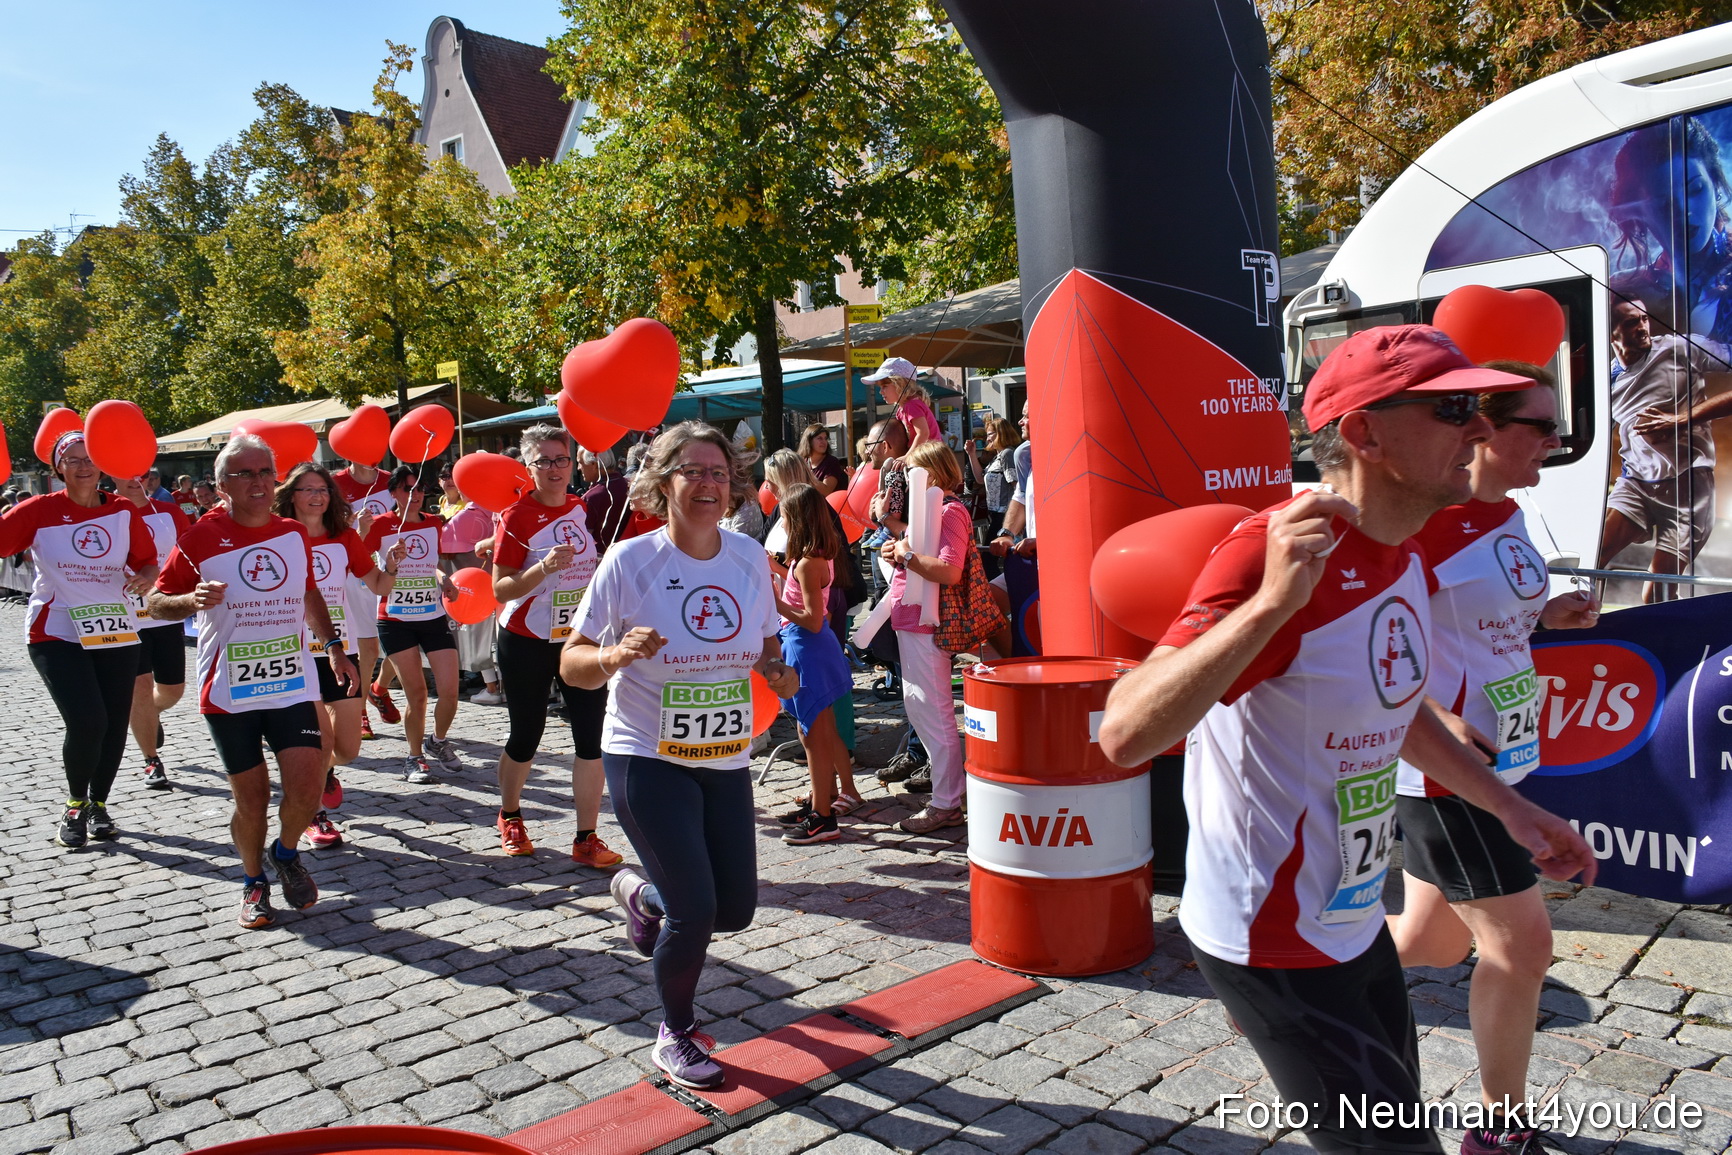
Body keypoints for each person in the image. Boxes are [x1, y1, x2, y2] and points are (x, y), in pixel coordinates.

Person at [1097, 325, 1597, 1155]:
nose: (1479, 428)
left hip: (1352, 910)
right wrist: (1267, 608)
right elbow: (1122, 732)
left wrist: (1513, 810)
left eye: (1478, 408)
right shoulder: (1281, 551)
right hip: (1271, 934)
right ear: (1364, 432)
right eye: (1453, 410)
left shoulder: (1399, 552)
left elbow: (1393, 709)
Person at [1385, 362, 1601, 1154]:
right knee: (1523, 944)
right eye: (1541, 425)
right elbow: (1378, 636)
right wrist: (1432, 711)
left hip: (1503, 760)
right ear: (1479, 427)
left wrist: (1549, 613)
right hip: (1447, 775)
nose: (1557, 440)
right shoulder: (1421, 522)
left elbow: (1482, 617)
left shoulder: (1508, 512)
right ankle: (1499, 1131)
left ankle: (1305, 977)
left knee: (1431, 943)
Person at [560, 421, 797, 1091]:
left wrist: (779, 673)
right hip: (645, 755)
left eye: (718, 472)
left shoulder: (749, 556)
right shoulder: (630, 561)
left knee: (735, 907)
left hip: (723, 754)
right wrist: (614, 654)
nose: (708, 483)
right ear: (663, 482)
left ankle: (643, 897)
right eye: (692, 471)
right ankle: (675, 1030)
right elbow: (572, 663)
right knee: (696, 909)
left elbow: (766, 646)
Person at [147, 435, 355, 928]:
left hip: (290, 681)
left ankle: (284, 854)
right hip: (229, 689)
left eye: (266, 471)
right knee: (252, 797)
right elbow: (157, 601)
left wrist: (334, 648)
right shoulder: (200, 537)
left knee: (306, 789)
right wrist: (190, 601)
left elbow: (308, 592)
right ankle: (252, 882)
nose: (259, 482)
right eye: (245, 474)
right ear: (221, 486)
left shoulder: (291, 533)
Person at [0, 433, 157, 847]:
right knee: (88, 721)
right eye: (72, 459)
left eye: (90, 458)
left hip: (115, 630)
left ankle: (99, 806)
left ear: (102, 464)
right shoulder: (37, 510)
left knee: (113, 724)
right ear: (58, 467)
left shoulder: (123, 509)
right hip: (56, 631)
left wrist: (149, 575)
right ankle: (75, 803)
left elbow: (146, 559)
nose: (83, 466)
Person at [490, 424, 624, 868]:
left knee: (592, 737)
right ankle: (510, 815)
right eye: (543, 461)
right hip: (526, 639)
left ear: (572, 463)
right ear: (528, 468)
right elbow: (501, 588)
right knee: (526, 733)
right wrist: (541, 569)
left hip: (578, 639)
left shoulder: (583, 508)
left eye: (560, 459)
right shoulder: (516, 516)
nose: (554, 468)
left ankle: (587, 836)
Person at [274, 462, 403, 847]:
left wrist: (391, 565)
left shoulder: (344, 537)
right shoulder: (277, 537)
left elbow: (378, 584)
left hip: (339, 651)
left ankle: (324, 771)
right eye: (308, 489)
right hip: (293, 652)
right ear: (290, 496)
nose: (317, 496)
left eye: (323, 490)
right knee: (319, 741)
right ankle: (316, 815)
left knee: (347, 748)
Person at [1598, 295, 1732, 599]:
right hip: (1636, 484)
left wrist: (1679, 419)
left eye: (1644, 319)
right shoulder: (1605, 380)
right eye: (1632, 322)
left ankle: (1690, 643)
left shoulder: (1680, 348)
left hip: (1689, 486)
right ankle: (1584, 633)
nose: (1643, 327)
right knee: (1594, 559)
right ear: (1611, 332)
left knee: (1655, 595)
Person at [881, 440, 973, 834]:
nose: (903, 478)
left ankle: (947, 803)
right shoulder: (932, 511)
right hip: (915, 620)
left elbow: (950, 571)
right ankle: (951, 794)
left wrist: (905, 555)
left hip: (928, 624)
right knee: (922, 709)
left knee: (933, 713)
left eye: (911, 471)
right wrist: (898, 551)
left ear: (931, 473)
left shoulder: (950, 511)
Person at [770, 484, 858, 843]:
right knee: (816, 733)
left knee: (813, 736)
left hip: (810, 648)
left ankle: (823, 816)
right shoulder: (809, 557)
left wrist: (775, 603)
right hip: (806, 647)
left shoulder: (808, 562)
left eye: (785, 516)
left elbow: (813, 618)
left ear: (798, 519)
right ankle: (822, 803)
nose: (781, 522)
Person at [363, 468, 461, 783]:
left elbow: (432, 564)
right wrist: (365, 536)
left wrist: (444, 579)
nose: (415, 494)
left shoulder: (434, 523)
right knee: (417, 694)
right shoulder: (381, 526)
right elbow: (358, 561)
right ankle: (414, 757)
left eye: (419, 488)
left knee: (449, 690)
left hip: (431, 615)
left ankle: (438, 740)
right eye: (407, 489)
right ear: (393, 493)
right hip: (395, 619)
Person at [112, 472, 191, 790]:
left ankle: (149, 713)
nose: (134, 479)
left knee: (172, 691)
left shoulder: (169, 513)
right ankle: (151, 759)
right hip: (123, 617)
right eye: (125, 473)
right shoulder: (105, 513)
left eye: (141, 474)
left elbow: (191, 555)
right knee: (139, 690)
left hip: (163, 613)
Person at [333, 456, 396, 736]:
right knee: (368, 648)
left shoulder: (390, 479)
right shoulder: (335, 484)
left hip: (392, 566)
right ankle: (359, 711)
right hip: (353, 571)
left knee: (404, 643)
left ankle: (378, 689)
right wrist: (360, 532)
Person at [439, 489, 504, 706]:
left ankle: (492, 688)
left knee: (478, 635)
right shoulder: (498, 509)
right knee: (498, 636)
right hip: (498, 582)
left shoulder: (467, 515)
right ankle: (501, 687)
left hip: (472, 589)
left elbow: (444, 547)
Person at [863, 357, 940, 450]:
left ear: (900, 384)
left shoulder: (912, 405)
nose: (881, 392)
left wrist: (906, 457)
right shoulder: (901, 409)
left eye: (884, 386)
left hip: (930, 456)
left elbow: (923, 433)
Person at [580, 447, 632, 553]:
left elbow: (583, 541)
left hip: (601, 561)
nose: (579, 468)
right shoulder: (630, 486)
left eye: (580, 463)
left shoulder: (591, 497)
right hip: (631, 556)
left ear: (594, 465)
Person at [798, 424, 847, 497]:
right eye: (820, 438)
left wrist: (808, 476)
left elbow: (827, 491)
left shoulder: (831, 462)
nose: (824, 442)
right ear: (809, 441)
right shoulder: (803, 462)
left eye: (825, 438)